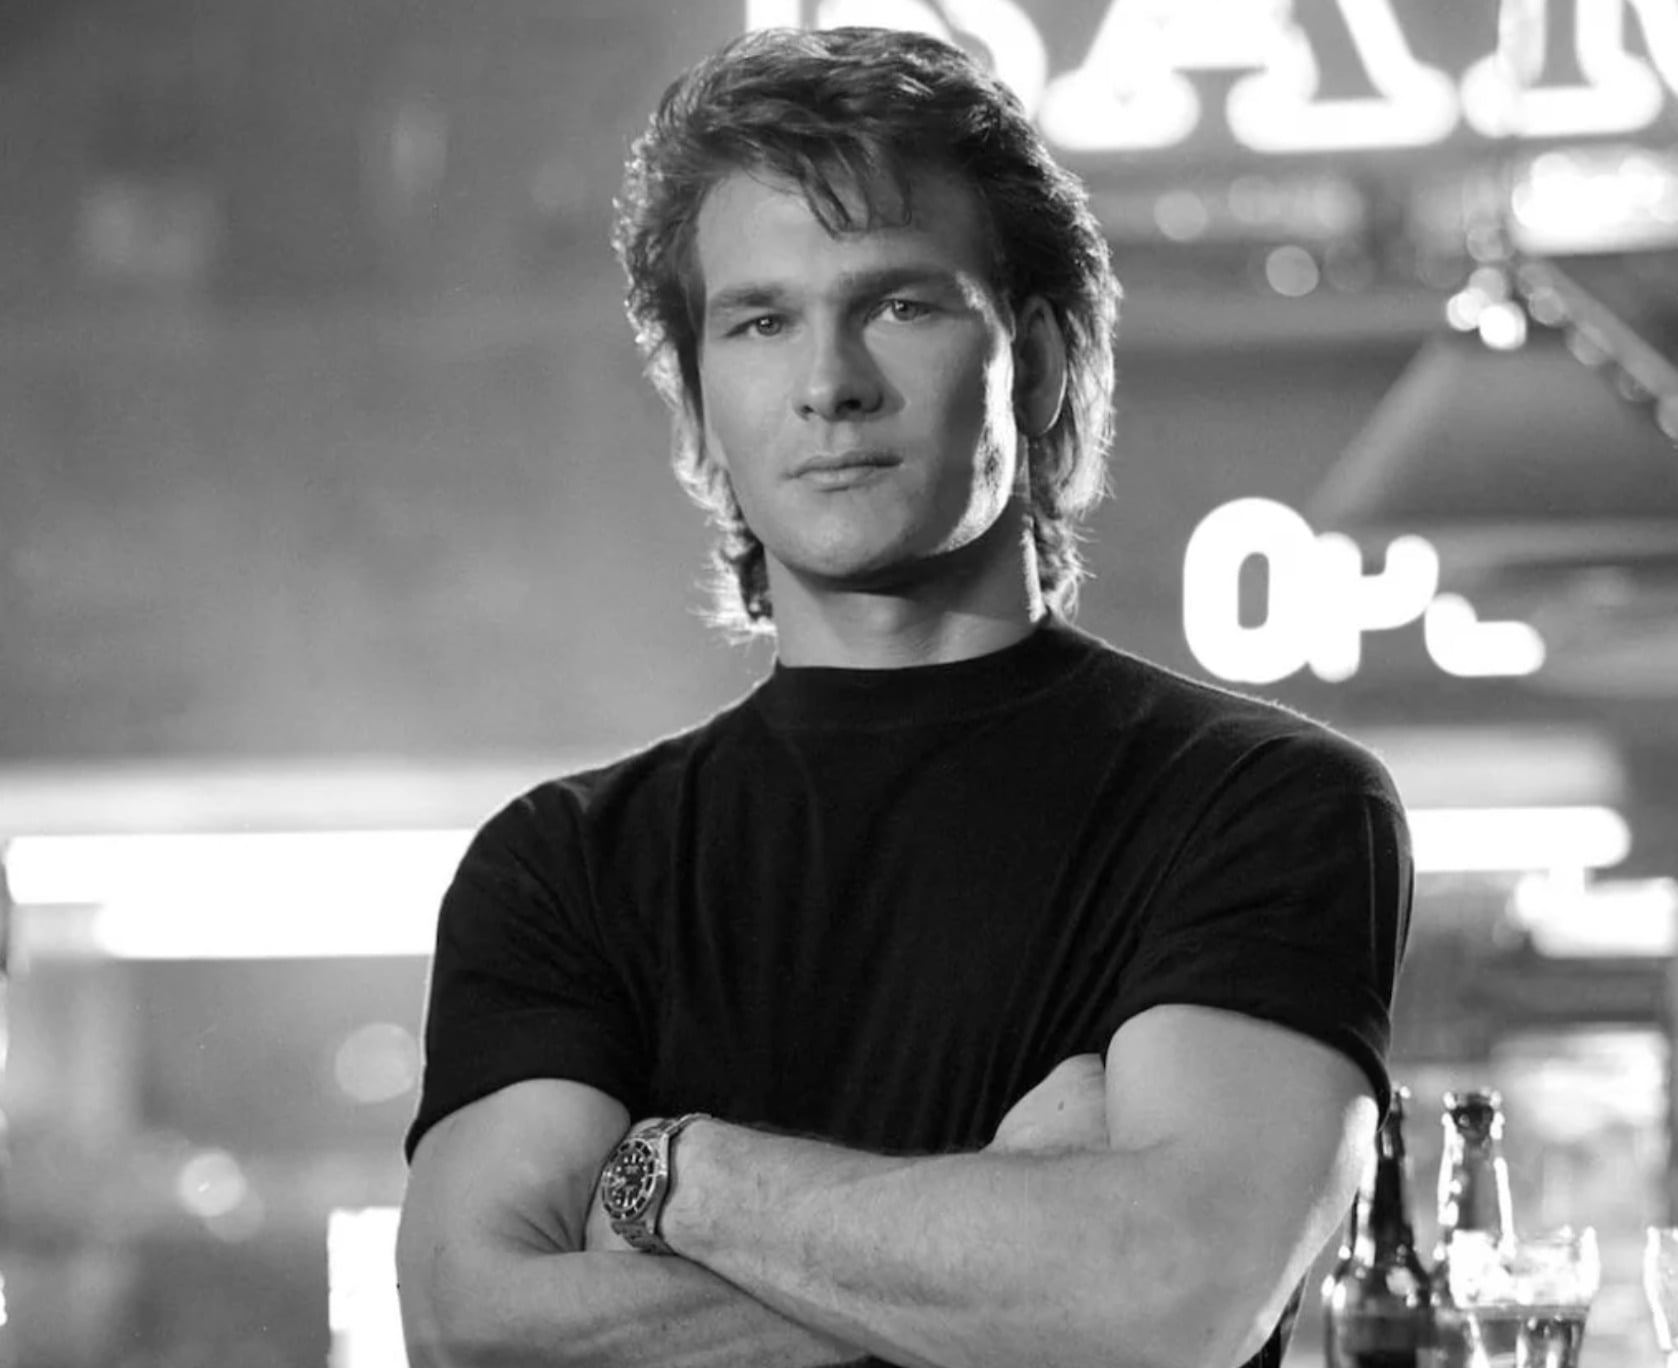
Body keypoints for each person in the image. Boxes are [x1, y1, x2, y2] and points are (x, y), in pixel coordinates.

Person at [396, 24, 1412, 1368]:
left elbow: (1167, 1297)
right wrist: (1011, 1245)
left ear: (1038, 365)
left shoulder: (1259, 807)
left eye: (899, 304)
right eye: (760, 321)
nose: (830, 385)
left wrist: (673, 1180)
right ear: (698, 409)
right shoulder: (564, 865)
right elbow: (480, 1330)